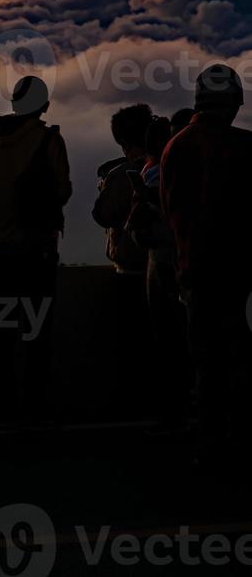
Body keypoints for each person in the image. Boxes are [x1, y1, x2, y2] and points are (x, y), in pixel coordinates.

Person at [0, 76, 72, 424]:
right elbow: (63, 190)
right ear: (43, 105)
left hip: (0, 254)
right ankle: (35, 410)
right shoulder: (49, 139)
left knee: (3, 337)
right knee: (38, 337)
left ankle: (6, 409)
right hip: (38, 252)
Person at [161, 64, 252, 470]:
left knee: (207, 362)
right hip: (238, 272)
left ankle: (211, 444)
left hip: (193, 269)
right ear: (234, 102)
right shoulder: (244, 147)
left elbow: (171, 211)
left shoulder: (175, 147)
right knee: (237, 359)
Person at [126, 116, 191, 434]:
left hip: (163, 259)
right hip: (179, 258)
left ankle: (176, 411)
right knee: (181, 339)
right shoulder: (172, 166)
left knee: (169, 340)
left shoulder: (152, 171)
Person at [93, 104, 153, 275]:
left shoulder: (120, 174)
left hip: (130, 263)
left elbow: (102, 215)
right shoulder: (166, 165)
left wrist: (105, 188)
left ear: (124, 143)